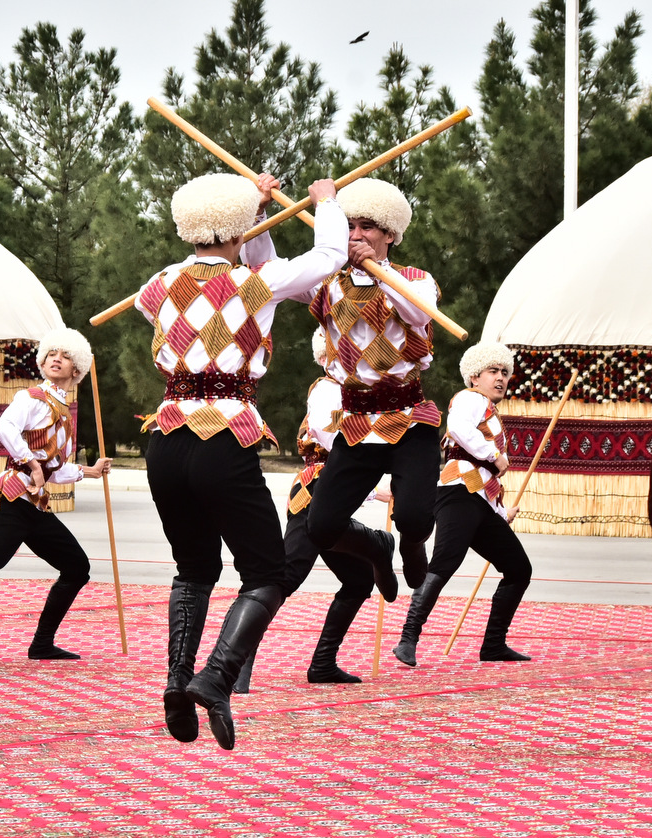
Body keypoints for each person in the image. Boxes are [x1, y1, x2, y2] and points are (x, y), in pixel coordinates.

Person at [135, 171, 346, 750]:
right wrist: (324, 202)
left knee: (194, 568)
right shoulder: (257, 283)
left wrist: (252, 211)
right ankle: (216, 679)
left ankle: (178, 679)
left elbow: (170, 303)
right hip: (223, 437)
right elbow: (328, 255)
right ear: (238, 228)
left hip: (167, 437)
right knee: (267, 573)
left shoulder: (157, 284)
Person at [0, 328, 111, 671]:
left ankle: (42, 644)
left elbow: (55, 470)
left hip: (36, 506)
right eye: (50, 354)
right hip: (11, 497)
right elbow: (4, 429)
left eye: (64, 355)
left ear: (77, 369)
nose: (55, 358)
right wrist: (30, 460)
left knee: (77, 567)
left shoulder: (64, 411)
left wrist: (91, 471)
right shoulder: (30, 397)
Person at [234, 328, 395, 692]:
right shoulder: (328, 389)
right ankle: (236, 664)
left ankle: (323, 663)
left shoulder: (356, 394)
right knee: (284, 578)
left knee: (357, 580)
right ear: (326, 357)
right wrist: (372, 482)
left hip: (334, 491)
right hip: (316, 489)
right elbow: (333, 439)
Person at [303, 178, 442, 591]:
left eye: (368, 226)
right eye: (350, 225)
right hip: (357, 421)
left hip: (408, 416)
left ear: (391, 234)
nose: (357, 235)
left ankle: (411, 542)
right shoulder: (327, 282)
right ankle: (376, 547)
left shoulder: (416, 279)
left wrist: (378, 272)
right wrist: (258, 215)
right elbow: (268, 269)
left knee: (416, 518)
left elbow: (419, 316)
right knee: (322, 526)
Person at [393, 341, 533, 667]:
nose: (501, 378)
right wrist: (494, 455)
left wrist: (500, 511)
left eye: (504, 373)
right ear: (474, 377)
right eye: (493, 372)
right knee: (445, 562)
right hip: (458, 493)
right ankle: (408, 638)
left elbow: (485, 475)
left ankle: (494, 644)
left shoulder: (489, 410)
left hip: (480, 502)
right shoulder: (469, 398)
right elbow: (457, 430)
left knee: (518, 569)